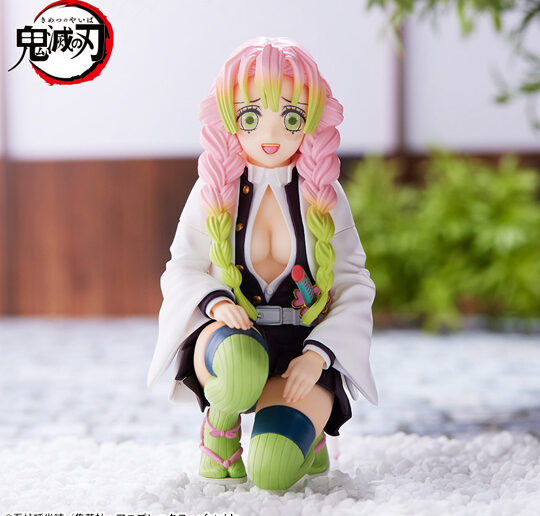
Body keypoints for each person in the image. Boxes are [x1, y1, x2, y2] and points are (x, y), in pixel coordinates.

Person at [147, 37, 378, 490]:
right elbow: (181, 268)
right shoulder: (214, 189)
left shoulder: (323, 194)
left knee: (273, 470)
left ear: (311, 118)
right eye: (251, 118)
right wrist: (216, 303)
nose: (270, 137)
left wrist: (319, 354)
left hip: (303, 353)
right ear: (228, 116)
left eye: (290, 118)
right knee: (239, 364)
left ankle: (307, 432)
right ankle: (221, 429)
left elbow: (353, 282)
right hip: (230, 341)